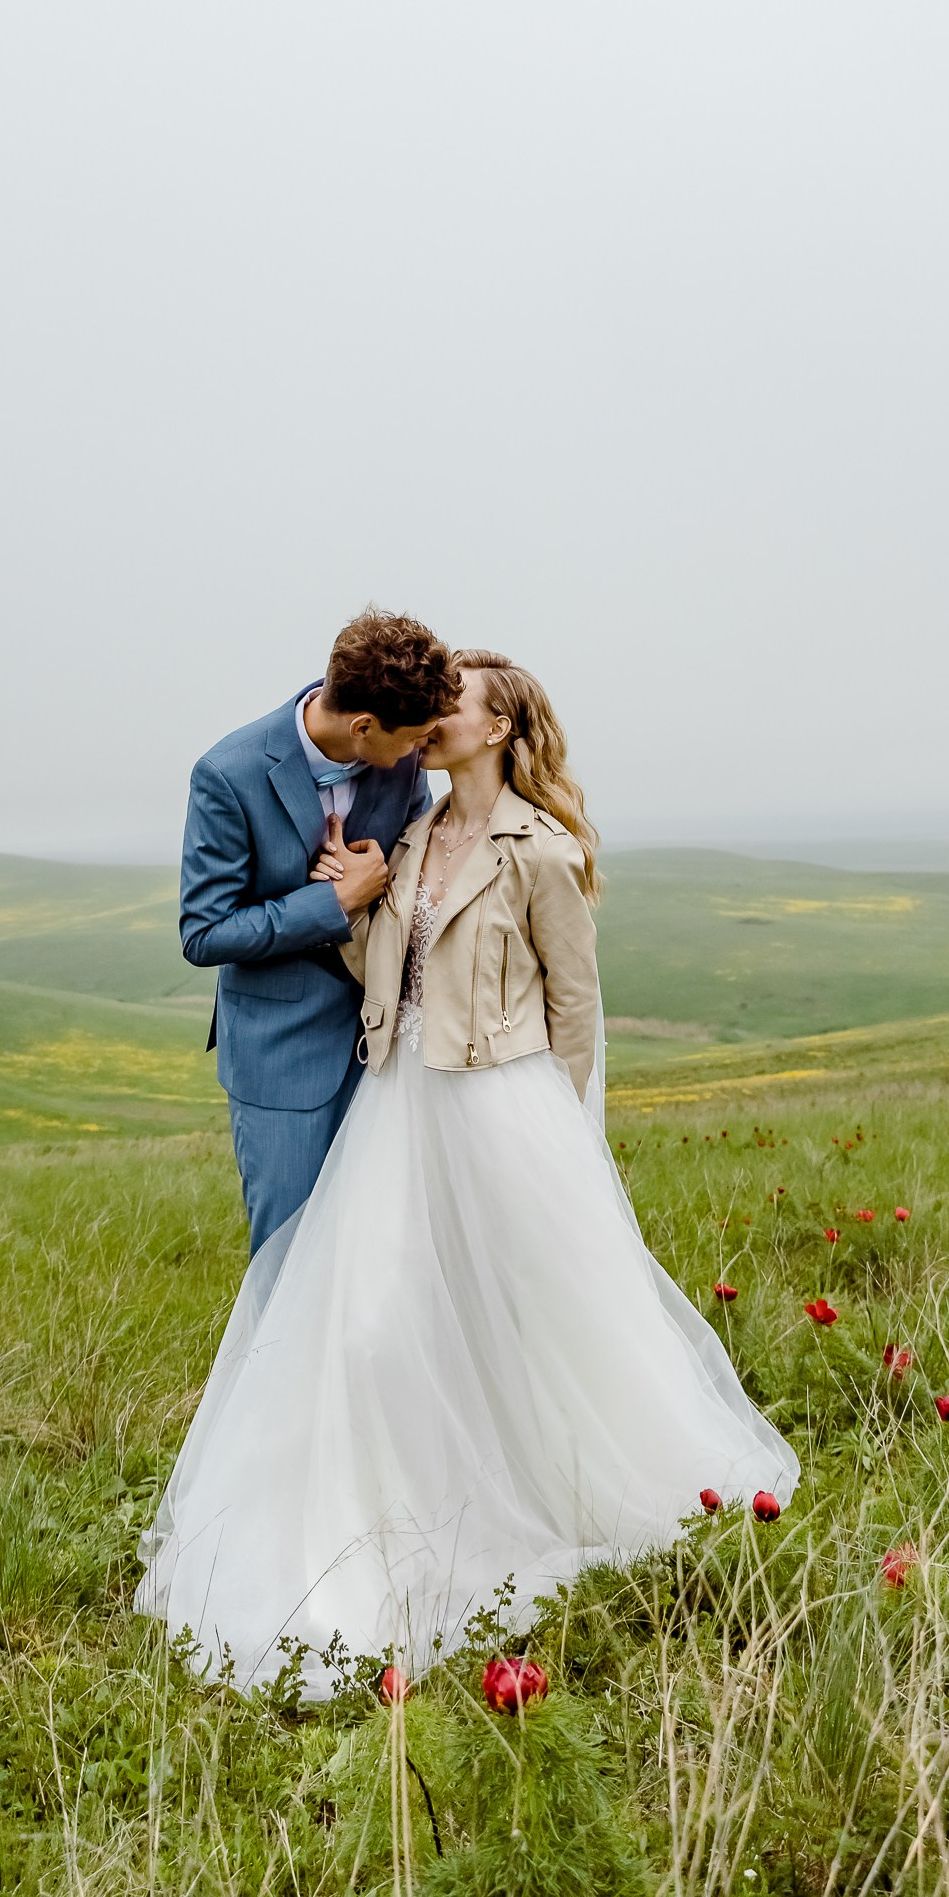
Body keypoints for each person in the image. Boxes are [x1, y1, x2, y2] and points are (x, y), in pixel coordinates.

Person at [139, 651, 797, 1691]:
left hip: (501, 1108)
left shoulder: (541, 851)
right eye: (428, 707)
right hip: (395, 1102)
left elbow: (574, 1003)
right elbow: (383, 967)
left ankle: (543, 1484)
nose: (431, 722)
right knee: (371, 1314)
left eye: (454, 707)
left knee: (520, 1312)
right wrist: (345, 902)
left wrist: (559, 1127)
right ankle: (382, 1496)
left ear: (498, 730)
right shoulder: (406, 831)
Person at [179, 609, 460, 1256]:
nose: (422, 753)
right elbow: (204, 931)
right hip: (282, 1059)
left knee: (378, 1255)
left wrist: (380, 875)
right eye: (413, 740)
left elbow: (414, 867)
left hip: (389, 1050)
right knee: (290, 1255)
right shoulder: (228, 774)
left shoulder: (401, 762)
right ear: (362, 726)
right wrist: (331, 902)